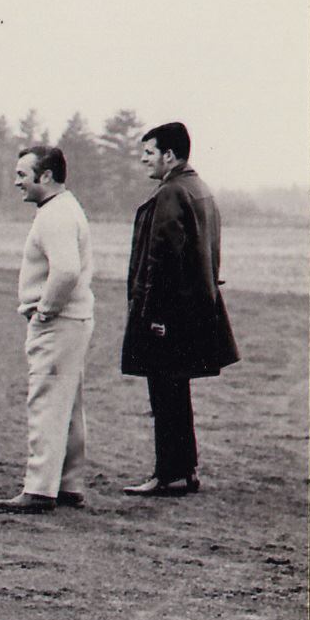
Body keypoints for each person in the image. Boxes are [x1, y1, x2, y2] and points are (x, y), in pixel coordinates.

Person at [121, 121, 238, 495]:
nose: (143, 160)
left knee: (165, 391)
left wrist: (153, 316)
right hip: (193, 313)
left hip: (168, 315)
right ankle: (184, 471)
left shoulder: (172, 193)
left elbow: (163, 259)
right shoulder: (200, 189)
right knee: (177, 389)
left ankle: (168, 473)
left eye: (149, 153)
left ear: (169, 156)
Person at [0, 146, 94, 513]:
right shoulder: (65, 208)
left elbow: (65, 270)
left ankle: (39, 489)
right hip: (73, 322)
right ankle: (66, 485)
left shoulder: (55, 215)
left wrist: (45, 312)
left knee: (48, 402)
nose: (16, 181)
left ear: (46, 176)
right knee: (67, 405)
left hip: (59, 324)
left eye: (23, 174)